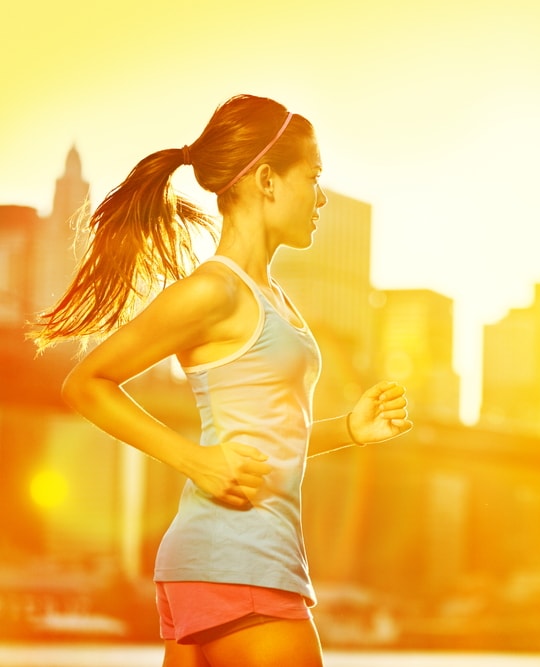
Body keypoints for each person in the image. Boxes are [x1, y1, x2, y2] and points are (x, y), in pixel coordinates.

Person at [31, 94, 412, 667]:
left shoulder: (272, 299)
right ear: (265, 180)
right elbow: (86, 383)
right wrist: (195, 459)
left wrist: (348, 430)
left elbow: (267, 443)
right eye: (312, 176)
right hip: (241, 562)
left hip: (228, 560)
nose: (321, 196)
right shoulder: (216, 291)